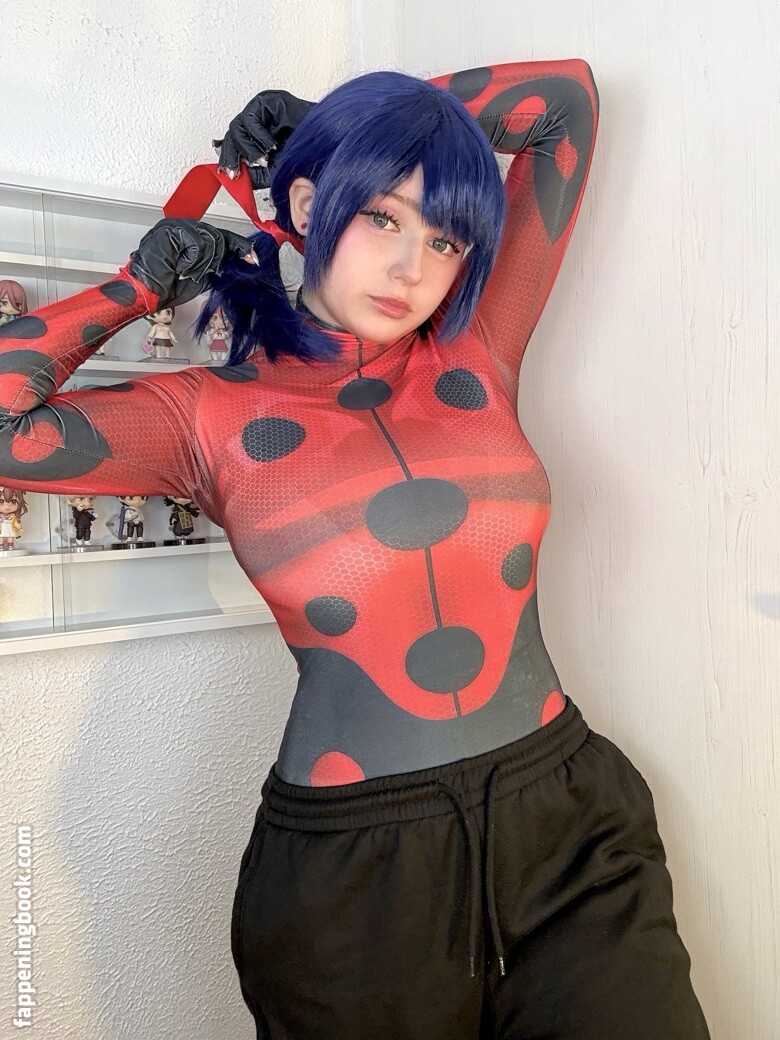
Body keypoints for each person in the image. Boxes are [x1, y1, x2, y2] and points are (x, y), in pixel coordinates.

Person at [0, 60, 711, 1039]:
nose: (413, 267)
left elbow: (566, 102)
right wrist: (136, 284)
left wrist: (351, 124)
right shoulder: (205, 416)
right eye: (381, 215)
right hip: (358, 880)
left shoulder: (477, 350)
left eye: (445, 237)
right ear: (307, 204)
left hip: (569, 827)